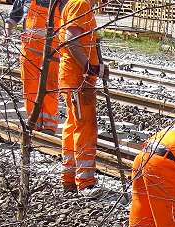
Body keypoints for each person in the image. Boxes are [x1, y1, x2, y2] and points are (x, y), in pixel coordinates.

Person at [58, 0, 108, 196]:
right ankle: (85, 182)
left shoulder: (81, 3)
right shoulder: (81, 3)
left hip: (77, 76)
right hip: (78, 78)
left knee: (73, 124)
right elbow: (71, 40)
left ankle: (69, 178)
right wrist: (90, 68)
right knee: (86, 126)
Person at [5, 0, 61, 134]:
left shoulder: (62, 1)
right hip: (29, 51)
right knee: (30, 87)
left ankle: (49, 126)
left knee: (51, 87)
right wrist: (7, 32)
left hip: (52, 52)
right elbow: (13, 17)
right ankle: (32, 122)